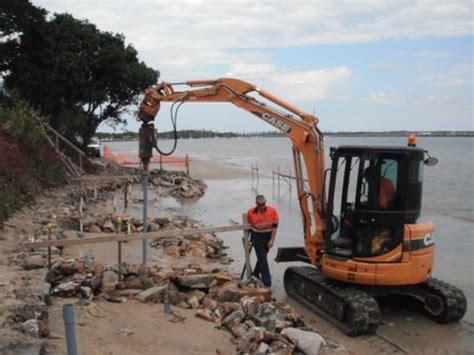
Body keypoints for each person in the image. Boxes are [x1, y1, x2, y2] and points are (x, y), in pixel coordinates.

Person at [246, 194, 279, 287]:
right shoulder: (250, 212)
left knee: (262, 257)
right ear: (256, 204)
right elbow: (248, 227)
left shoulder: (272, 211)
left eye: (263, 204)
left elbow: (275, 227)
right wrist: (247, 240)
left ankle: (256, 273)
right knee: (263, 258)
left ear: (265, 202)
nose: (262, 206)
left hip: (268, 236)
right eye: (260, 205)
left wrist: (272, 240)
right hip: (256, 236)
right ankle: (267, 282)